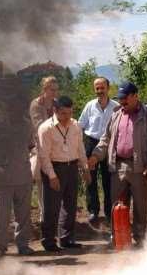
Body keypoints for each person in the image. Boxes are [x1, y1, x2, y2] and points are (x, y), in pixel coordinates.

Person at [89, 82, 147, 246]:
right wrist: (95, 156)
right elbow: (105, 139)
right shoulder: (116, 115)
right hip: (118, 166)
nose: (122, 102)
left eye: (125, 98)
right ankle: (120, 237)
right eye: (120, 99)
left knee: (141, 206)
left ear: (135, 96)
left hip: (140, 167)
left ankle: (140, 239)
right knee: (118, 205)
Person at [38, 96, 90, 252]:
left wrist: (85, 167)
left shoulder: (75, 126)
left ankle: (67, 239)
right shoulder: (46, 128)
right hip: (54, 167)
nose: (66, 117)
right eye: (63, 113)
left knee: (70, 205)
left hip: (72, 167)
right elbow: (44, 155)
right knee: (51, 207)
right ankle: (48, 241)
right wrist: (52, 176)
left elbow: (80, 148)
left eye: (69, 113)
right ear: (55, 111)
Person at [0, 96, 36, 257]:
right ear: (7, 109)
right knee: (1, 215)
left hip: (23, 175)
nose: (16, 110)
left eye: (20, 107)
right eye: (13, 107)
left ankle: (23, 245)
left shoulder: (27, 125)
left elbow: (31, 146)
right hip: (3, 177)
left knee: (23, 215)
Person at [78, 77, 118, 224]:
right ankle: (93, 211)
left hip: (108, 144)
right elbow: (80, 125)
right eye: (97, 88)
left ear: (108, 88)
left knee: (108, 180)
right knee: (91, 179)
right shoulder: (90, 106)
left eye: (102, 88)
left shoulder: (116, 107)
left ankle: (109, 212)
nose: (100, 91)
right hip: (91, 142)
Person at [30, 76, 58, 224]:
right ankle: (43, 213)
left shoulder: (56, 104)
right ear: (45, 89)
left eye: (56, 89)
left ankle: (54, 213)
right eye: (52, 89)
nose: (54, 92)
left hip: (56, 148)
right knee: (41, 182)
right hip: (40, 147)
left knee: (54, 180)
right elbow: (38, 126)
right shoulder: (36, 104)